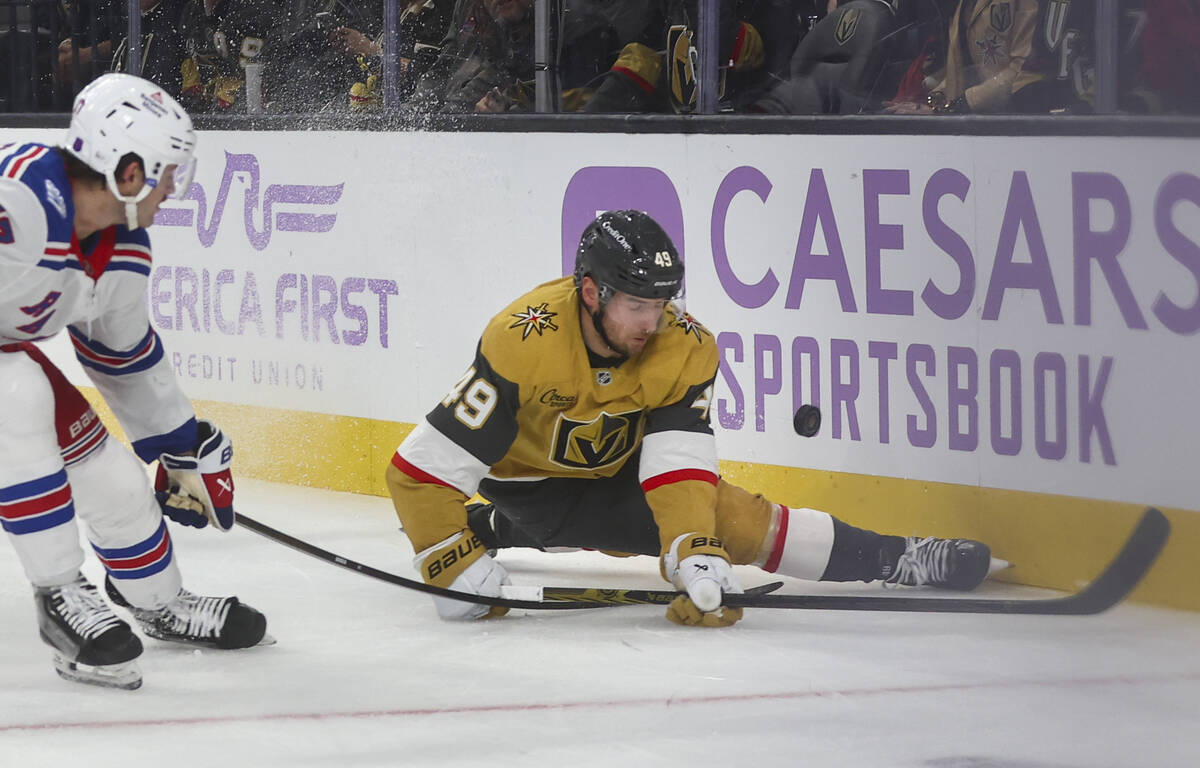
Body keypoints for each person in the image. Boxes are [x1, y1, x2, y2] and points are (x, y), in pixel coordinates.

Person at [386, 210, 997, 628]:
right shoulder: (525, 339)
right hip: (531, 485)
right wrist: (447, 560)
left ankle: (899, 557)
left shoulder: (687, 345)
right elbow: (417, 473)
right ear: (593, 293)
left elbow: (677, 467)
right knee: (572, 520)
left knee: (739, 524)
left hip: (618, 473)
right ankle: (506, 522)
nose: (652, 323)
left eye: (661, 303)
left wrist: (694, 549)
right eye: (636, 305)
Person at [0, 72, 268, 690]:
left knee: (115, 482)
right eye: (168, 171)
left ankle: (160, 603)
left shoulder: (123, 250)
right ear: (128, 171)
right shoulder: (16, 193)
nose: (174, 188)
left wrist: (180, 446)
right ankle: (60, 596)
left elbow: (122, 356)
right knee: (17, 392)